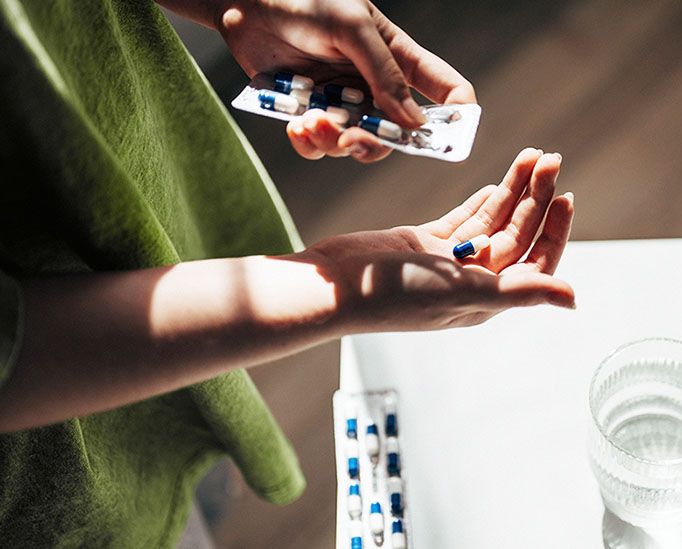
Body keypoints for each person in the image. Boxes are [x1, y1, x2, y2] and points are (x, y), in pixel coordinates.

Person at [0, 0, 575, 546]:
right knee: (155, 493)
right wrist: (335, 285)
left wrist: (239, 6)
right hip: (59, 483)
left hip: (144, 197)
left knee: (194, 447)